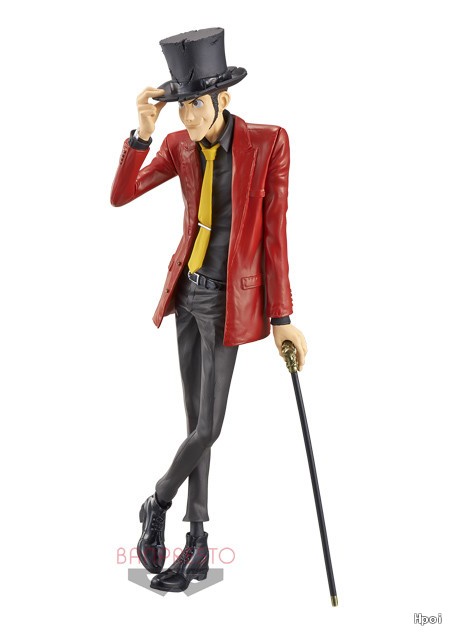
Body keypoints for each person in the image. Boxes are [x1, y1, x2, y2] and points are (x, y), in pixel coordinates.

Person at [111, 27, 307, 592]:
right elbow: (122, 195)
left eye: (196, 104)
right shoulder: (178, 145)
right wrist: (142, 134)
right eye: (181, 106)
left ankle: (157, 500)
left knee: (208, 427)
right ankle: (196, 546)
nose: (187, 116)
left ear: (223, 98)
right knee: (195, 424)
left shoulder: (268, 143)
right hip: (187, 292)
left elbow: (275, 235)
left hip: (229, 301)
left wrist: (282, 318)